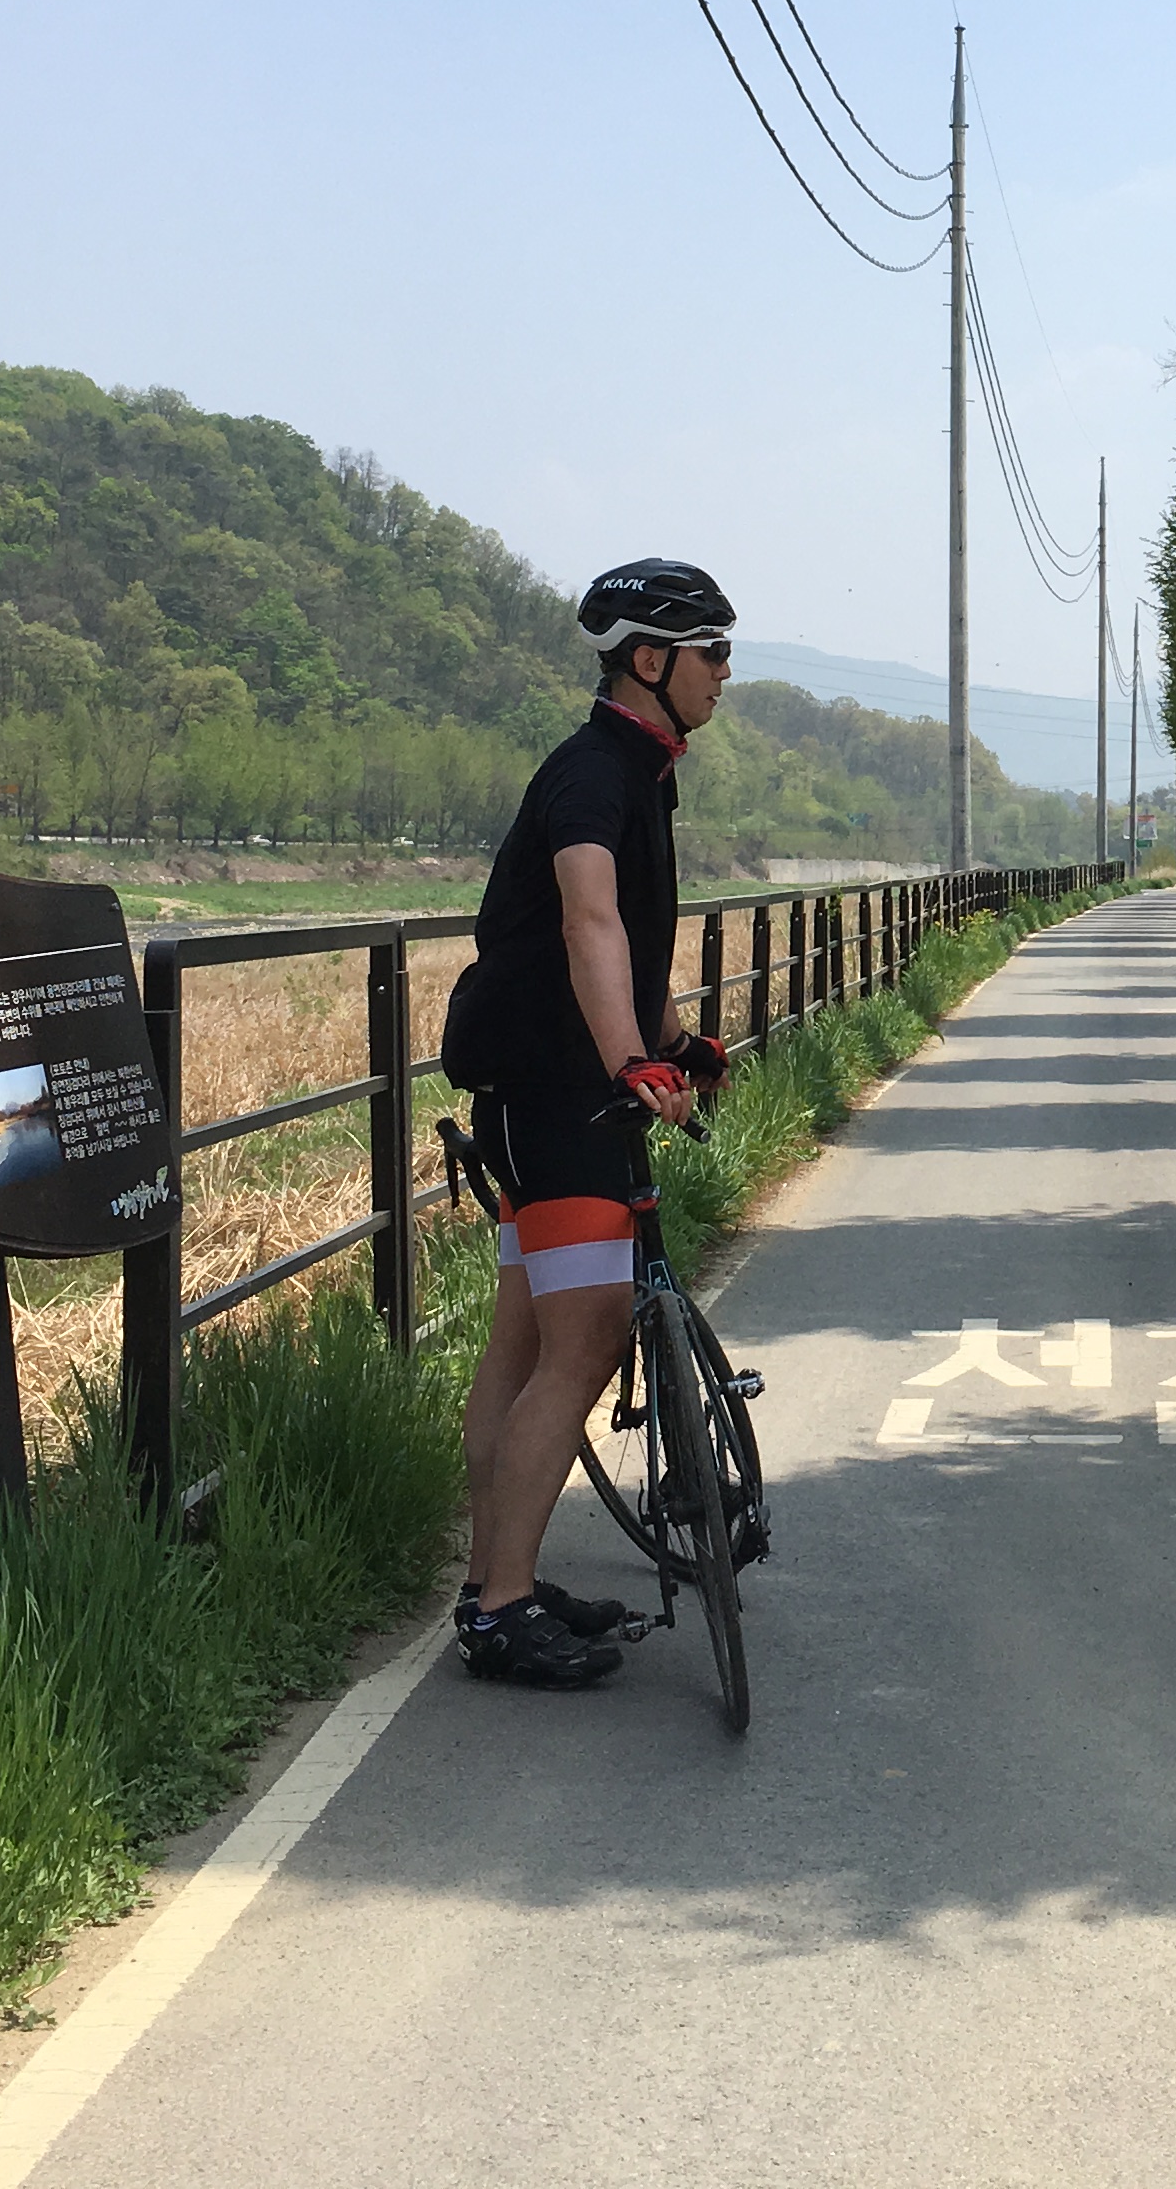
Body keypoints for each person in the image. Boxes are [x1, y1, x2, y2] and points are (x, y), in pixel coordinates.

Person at [436, 556, 740, 1690]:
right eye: (711, 652)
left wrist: (674, 1042)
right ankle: (501, 1609)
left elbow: (634, 949)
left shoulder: (637, 772)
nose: (724, 673)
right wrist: (627, 1061)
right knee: (583, 1343)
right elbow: (589, 924)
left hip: (561, 1089)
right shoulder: (589, 776)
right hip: (555, 1097)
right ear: (650, 661)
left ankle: (496, 1583)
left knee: (525, 1350)